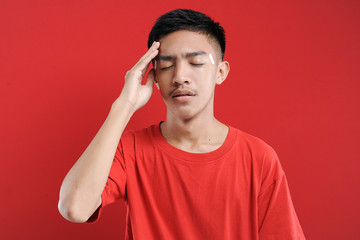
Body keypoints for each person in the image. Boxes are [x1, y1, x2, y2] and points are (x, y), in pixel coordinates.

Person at [58, 9, 305, 240]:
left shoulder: (258, 158)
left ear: (221, 72)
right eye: (166, 66)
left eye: (196, 63)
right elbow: (74, 208)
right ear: (153, 76)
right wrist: (124, 106)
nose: (179, 77)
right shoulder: (130, 150)